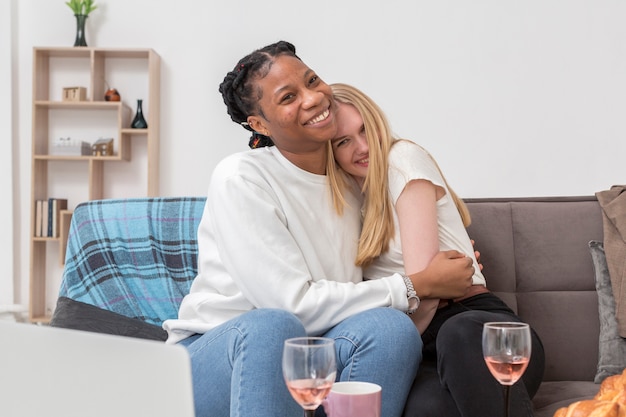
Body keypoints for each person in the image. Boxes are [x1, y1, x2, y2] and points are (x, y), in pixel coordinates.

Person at [162, 41, 476, 417]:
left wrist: (454, 259)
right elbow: (291, 306)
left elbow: (373, 272)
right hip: (211, 356)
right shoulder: (242, 177)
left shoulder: (350, 183)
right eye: (289, 96)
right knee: (272, 327)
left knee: (391, 328)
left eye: (312, 80)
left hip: (312, 350)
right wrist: (416, 285)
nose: (313, 98)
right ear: (260, 124)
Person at [327, 82, 546, 417]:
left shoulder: (400, 159)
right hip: (423, 347)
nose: (363, 147)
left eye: (366, 131)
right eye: (344, 141)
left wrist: (392, 341)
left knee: (456, 334)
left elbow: (429, 292)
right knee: (426, 409)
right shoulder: (348, 198)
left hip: (476, 330)